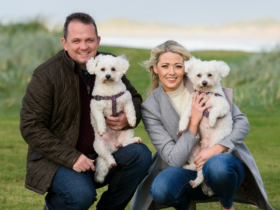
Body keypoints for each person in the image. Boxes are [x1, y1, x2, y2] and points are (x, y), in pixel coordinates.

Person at [20, 12, 151, 210]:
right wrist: (71, 157)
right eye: (76, 41)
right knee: (81, 195)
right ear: (65, 43)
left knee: (140, 155)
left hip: (102, 150)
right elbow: (31, 126)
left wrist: (127, 119)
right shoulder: (46, 75)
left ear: (97, 41)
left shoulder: (109, 63)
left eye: (89, 40)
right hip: (58, 160)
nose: (84, 46)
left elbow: (134, 97)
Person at [131, 40, 274, 210]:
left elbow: (242, 123)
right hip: (187, 167)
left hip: (223, 164)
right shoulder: (151, 108)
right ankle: (186, 204)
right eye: (165, 66)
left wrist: (218, 148)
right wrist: (193, 122)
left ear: (186, 67)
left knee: (218, 166)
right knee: (161, 188)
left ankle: (226, 203)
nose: (171, 72)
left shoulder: (203, 81)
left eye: (178, 66)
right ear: (155, 68)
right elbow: (174, 159)